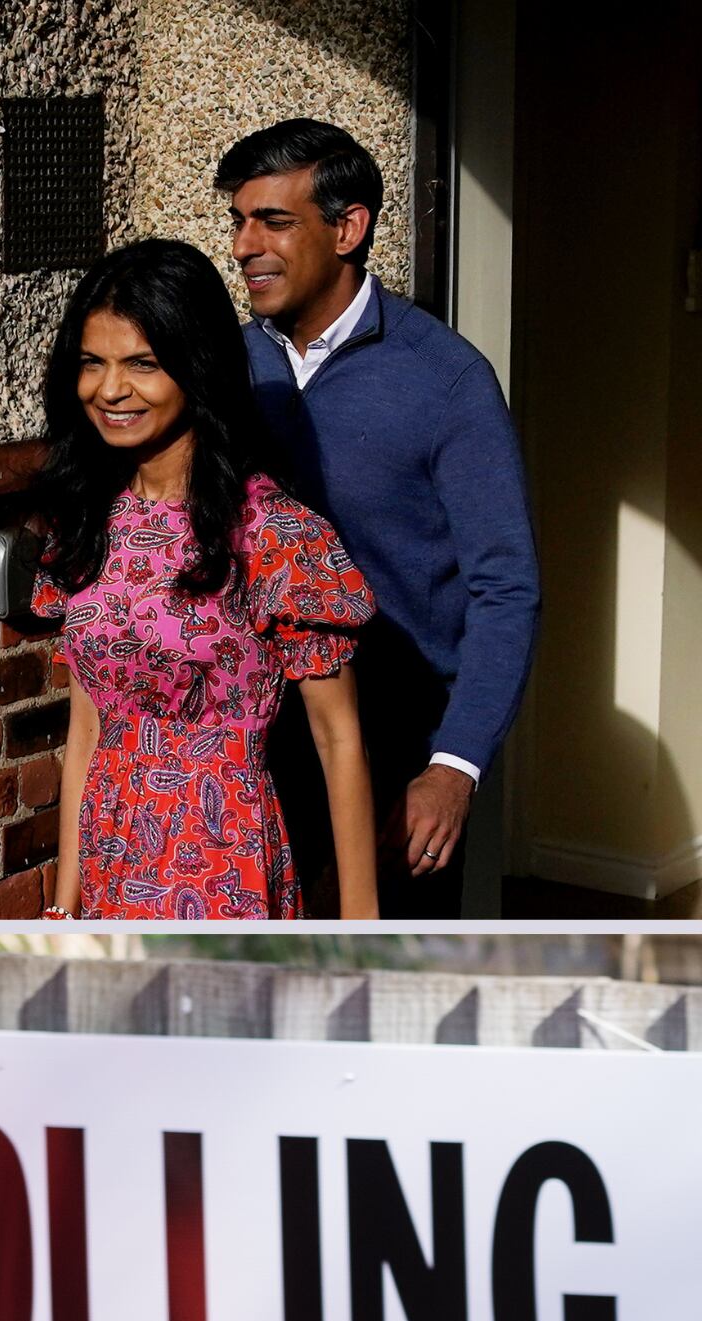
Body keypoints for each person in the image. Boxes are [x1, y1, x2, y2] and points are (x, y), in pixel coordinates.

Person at [215, 118, 539, 917]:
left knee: (384, 997)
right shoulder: (227, 364)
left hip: (397, 736)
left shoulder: (446, 381)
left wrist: (453, 767)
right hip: (252, 731)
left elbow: (507, 587)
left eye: (274, 222)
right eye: (238, 220)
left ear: (348, 227)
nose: (245, 246)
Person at [31, 238, 379, 920]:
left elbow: (339, 741)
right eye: (92, 364)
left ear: (199, 368)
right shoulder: (87, 526)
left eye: (142, 365)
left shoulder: (275, 535)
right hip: (111, 867)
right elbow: (86, 734)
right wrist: (63, 910)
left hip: (224, 868)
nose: (109, 390)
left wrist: (361, 929)